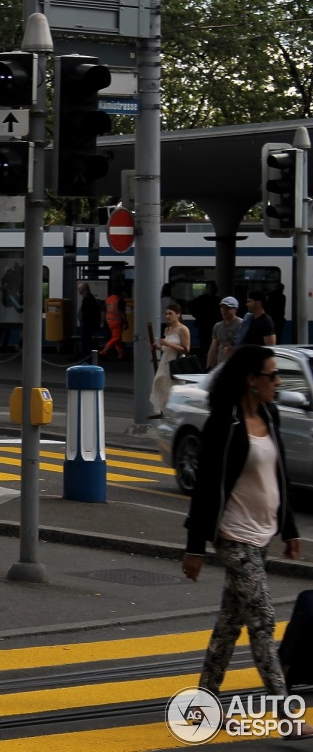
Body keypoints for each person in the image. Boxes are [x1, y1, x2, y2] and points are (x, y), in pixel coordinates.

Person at [182, 345, 300, 706]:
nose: (277, 382)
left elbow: (277, 477)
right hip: (234, 536)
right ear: (251, 380)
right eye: (272, 375)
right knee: (263, 620)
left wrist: (290, 528)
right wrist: (195, 547)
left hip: (262, 531)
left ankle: (204, 698)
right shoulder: (224, 423)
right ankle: (284, 710)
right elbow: (206, 488)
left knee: (230, 624)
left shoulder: (270, 413)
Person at [149, 303, 191, 418]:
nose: (167, 316)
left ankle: (173, 414)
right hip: (165, 362)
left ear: (178, 315)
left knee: (173, 388)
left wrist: (169, 344)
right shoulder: (167, 329)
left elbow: (185, 350)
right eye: (166, 314)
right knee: (160, 384)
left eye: (170, 314)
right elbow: (167, 349)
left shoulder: (183, 329)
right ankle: (164, 412)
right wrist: (158, 347)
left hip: (175, 364)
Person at [188, 281, 221, 361]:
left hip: (209, 326)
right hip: (206, 326)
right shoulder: (214, 300)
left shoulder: (203, 299)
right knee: (205, 346)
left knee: (211, 345)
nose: (211, 290)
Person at [208, 296, 242, 369]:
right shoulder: (217, 326)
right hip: (220, 366)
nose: (224, 311)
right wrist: (209, 365)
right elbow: (213, 348)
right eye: (222, 308)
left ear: (235, 309)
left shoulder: (242, 325)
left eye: (228, 308)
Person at [100, 282, 126, 360]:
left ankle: (121, 354)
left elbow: (103, 311)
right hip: (117, 322)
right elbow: (122, 312)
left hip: (109, 321)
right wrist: (125, 321)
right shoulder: (119, 300)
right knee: (116, 337)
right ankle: (104, 350)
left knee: (116, 338)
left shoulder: (108, 300)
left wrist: (103, 321)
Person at [77, 282, 103, 360]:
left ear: (83, 289)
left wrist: (85, 323)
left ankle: (85, 360)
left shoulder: (88, 299)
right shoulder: (89, 298)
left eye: (79, 288)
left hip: (87, 327)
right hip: (87, 326)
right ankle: (86, 359)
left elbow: (88, 314)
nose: (78, 290)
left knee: (86, 344)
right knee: (87, 344)